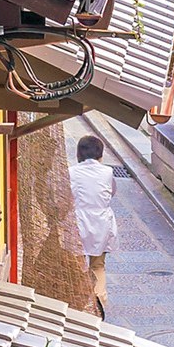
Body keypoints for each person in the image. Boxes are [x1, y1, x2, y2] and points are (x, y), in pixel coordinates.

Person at [69, 134, 118, 316]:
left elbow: (66, 196)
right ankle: (100, 306)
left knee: (77, 265)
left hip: (78, 222)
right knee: (98, 266)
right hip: (102, 224)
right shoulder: (107, 172)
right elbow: (112, 192)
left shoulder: (72, 172)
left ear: (78, 155)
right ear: (100, 155)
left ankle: (79, 306)